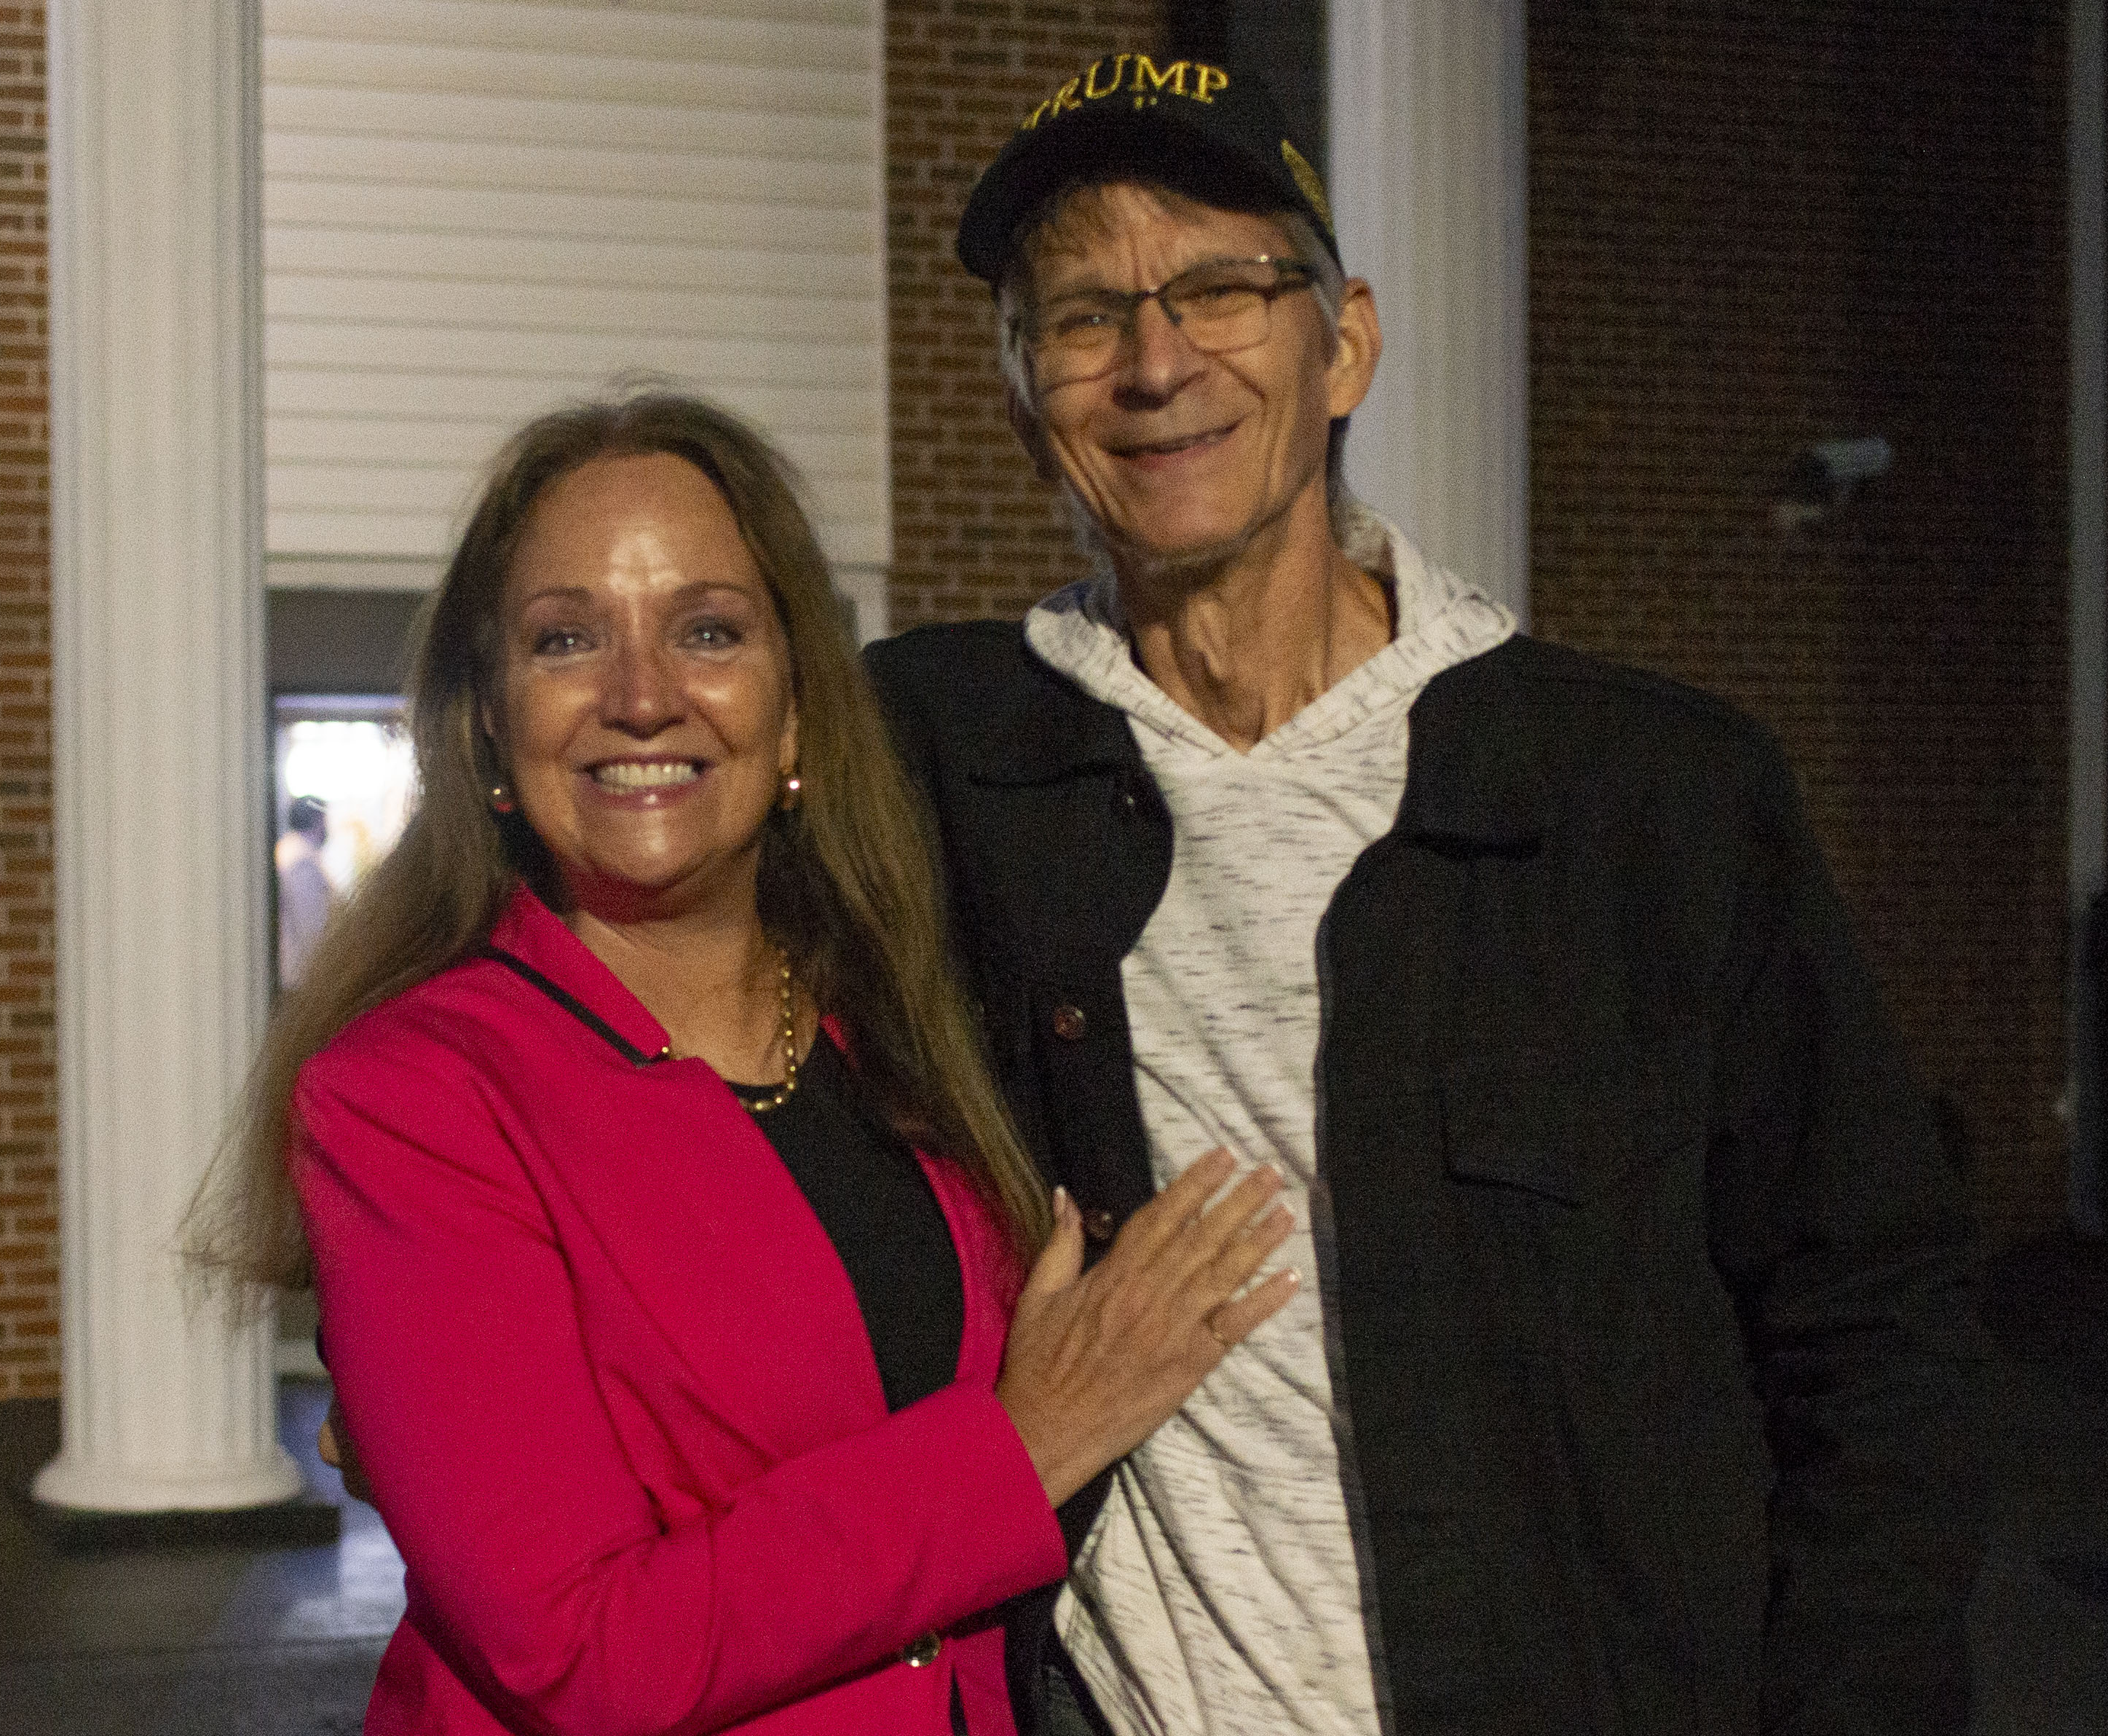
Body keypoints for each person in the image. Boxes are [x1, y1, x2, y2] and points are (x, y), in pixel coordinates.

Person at [861, 54, 1987, 1736]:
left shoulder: (1651, 797)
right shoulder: (925, 759)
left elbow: (1873, 1328)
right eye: (1084, 317)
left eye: (1224, 289)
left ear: (1348, 346)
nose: (1157, 362)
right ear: (1026, 398)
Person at [186, 390, 1300, 1736]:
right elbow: (583, 1651)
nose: (643, 693)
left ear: (794, 722)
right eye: (566, 638)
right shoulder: (413, 1095)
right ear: (488, 728)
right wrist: (1020, 1445)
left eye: (708, 629)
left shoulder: (902, 1017)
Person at [274, 794, 334, 990]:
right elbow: (312, 926)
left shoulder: (290, 850)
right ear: (318, 820)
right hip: (301, 979)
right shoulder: (301, 861)